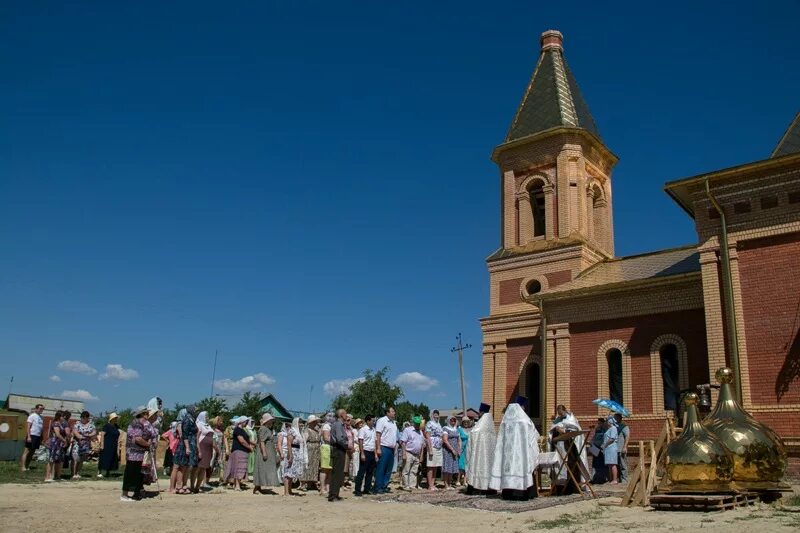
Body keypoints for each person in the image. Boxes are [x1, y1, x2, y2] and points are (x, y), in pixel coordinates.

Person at [489, 398, 539, 500]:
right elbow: (533, 436)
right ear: (523, 407)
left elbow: (500, 440)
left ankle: (507, 493)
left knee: (508, 469)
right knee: (520, 469)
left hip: (507, 454)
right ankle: (521, 493)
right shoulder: (525, 420)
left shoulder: (505, 420)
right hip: (520, 454)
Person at [549, 404, 589, 495]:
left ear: (564, 410)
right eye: (558, 413)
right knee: (559, 466)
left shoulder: (571, 420)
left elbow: (574, 431)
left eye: (561, 413)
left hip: (569, 448)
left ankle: (572, 486)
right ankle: (560, 487)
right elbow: (552, 432)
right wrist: (556, 430)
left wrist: (564, 431)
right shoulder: (557, 420)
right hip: (559, 447)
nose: (560, 415)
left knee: (570, 466)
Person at [121, 407, 151, 501]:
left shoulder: (142, 425)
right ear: (142, 414)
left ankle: (136, 493)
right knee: (130, 473)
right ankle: (124, 494)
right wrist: (147, 444)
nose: (148, 416)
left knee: (138, 474)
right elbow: (138, 438)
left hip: (139, 453)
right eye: (146, 414)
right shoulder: (136, 424)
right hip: (133, 454)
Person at [466, 403, 496, 494]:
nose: (478, 414)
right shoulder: (490, 423)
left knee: (478, 467)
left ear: (481, 412)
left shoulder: (481, 424)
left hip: (479, 454)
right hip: (489, 455)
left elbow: (474, 432)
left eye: (479, 412)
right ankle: (489, 488)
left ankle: (476, 488)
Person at [173, 407, 199, 494]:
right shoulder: (187, 420)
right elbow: (185, 434)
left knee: (188, 466)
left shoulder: (192, 420)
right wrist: (187, 447)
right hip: (185, 445)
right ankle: (179, 486)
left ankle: (184, 485)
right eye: (195, 410)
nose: (196, 412)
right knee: (182, 466)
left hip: (192, 444)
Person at [253, 413, 280, 493]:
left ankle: (259, 487)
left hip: (269, 451)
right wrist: (264, 453)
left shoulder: (268, 429)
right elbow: (262, 441)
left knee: (265, 469)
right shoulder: (263, 429)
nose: (272, 422)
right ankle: (257, 487)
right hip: (263, 452)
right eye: (271, 420)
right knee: (261, 468)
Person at [373, 406, 397, 494]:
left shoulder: (394, 423)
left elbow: (393, 436)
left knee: (388, 469)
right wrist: (378, 448)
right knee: (381, 468)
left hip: (391, 448)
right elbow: (378, 434)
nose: (394, 413)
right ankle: (378, 487)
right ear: (387, 413)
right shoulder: (382, 420)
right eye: (392, 411)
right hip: (384, 447)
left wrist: (394, 448)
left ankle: (384, 485)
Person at [328, 409, 350, 501]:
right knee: (336, 473)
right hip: (338, 449)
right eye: (345, 413)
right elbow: (339, 439)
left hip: (339, 449)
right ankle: (333, 495)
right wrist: (347, 445)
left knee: (338, 473)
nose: (347, 415)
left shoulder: (340, 425)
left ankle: (335, 494)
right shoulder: (338, 425)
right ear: (341, 415)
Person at [225, 416, 252, 491]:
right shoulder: (238, 429)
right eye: (246, 422)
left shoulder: (242, 430)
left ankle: (235, 485)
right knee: (239, 468)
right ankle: (237, 485)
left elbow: (247, 440)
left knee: (239, 467)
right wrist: (250, 448)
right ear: (242, 422)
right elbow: (242, 441)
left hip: (242, 451)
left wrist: (254, 444)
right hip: (239, 451)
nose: (247, 423)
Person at [278, 419, 303, 496]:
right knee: (288, 472)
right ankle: (286, 492)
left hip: (297, 452)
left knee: (292, 473)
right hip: (292, 452)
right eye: (300, 422)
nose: (301, 424)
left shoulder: (298, 432)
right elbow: (289, 444)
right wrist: (290, 455)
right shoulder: (292, 431)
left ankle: (290, 490)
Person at [68, 411, 96, 479]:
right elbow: (75, 432)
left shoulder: (91, 424)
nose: (83, 419)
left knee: (81, 460)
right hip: (77, 444)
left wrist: (88, 435)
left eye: (85, 418)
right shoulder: (77, 424)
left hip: (86, 445)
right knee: (75, 459)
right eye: (82, 417)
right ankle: (73, 473)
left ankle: (77, 473)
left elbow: (94, 432)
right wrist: (81, 436)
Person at [400, 415, 425, 491]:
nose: (417, 425)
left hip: (417, 454)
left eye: (419, 423)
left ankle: (412, 485)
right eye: (416, 423)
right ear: (413, 423)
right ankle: (405, 485)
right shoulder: (407, 430)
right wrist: (404, 453)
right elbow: (403, 442)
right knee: (406, 470)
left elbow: (422, 445)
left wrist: (421, 455)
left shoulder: (420, 432)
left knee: (414, 471)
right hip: (408, 452)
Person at [354, 414, 376, 496]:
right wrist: (362, 453)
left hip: (372, 452)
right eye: (372, 420)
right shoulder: (363, 430)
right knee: (362, 472)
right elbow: (360, 441)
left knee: (370, 472)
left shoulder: (374, 429)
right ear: (368, 421)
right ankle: (357, 490)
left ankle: (367, 488)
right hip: (365, 451)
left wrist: (375, 454)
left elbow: (375, 441)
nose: (373, 422)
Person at [44, 410, 67, 482]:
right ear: (59, 417)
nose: (64, 417)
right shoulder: (56, 423)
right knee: (51, 460)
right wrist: (64, 440)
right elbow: (57, 434)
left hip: (59, 444)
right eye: (63, 416)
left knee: (58, 460)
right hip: (54, 443)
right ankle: (47, 477)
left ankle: (57, 476)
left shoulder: (61, 424)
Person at [20, 403, 44, 472]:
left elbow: (41, 428)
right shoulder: (32, 416)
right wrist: (29, 436)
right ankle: (23, 466)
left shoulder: (42, 417)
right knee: (26, 451)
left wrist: (41, 437)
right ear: (36, 409)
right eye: (40, 408)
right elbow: (28, 427)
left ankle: (27, 466)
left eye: (42, 409)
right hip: (32, 435)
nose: (41, 410)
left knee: (32, 452)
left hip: (38, 436)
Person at [301, 414, 321, 491]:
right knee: (307, 465)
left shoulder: (316, 431)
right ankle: (303, 483)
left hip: (316, 450)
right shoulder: (306, 430)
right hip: (309, 449)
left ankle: (311, 483)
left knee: (314, 466)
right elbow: (304, 441)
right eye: (314, 422)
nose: (315, 423)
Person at [195, 411, 215, 490]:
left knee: (204, 467)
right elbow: (197, 438)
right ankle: (195, 485)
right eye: (206, 416)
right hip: (202, 447)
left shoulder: (208, 426)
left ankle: (200, 485)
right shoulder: (199, 424)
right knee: (199, 466)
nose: (208, 418)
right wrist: (199, 450)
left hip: (208, 449)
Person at [425, 410, 444, 491]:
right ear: (432, 415)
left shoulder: (439, 424)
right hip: (432, 446)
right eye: (435, 414)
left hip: (439, 447)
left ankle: (433, 484)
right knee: (431, 466)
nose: (436, 416)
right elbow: (428, 436)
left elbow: (441, 435)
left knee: (436, 466)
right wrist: (430, 449)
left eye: (437, 415)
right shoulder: (429, 423)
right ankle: (430, 485)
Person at [141, 409, 161, 488]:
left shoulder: (152, 425)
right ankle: (140, 486)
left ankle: (144, 484)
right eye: (155, 415)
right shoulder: (146, 425)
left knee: (148, 467)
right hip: (146, 449)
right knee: (144, 467)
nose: (156, 416)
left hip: (151, 449)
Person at [441, 415, 462, 490]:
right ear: (448, 421)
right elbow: (445, 440)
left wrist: (459, 450)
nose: (453, 422)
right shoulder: (445, 428)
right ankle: (446, 484)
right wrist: (452, 450)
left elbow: (459, 440)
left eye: (454, 421)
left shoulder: (456, 429)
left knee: (452, 467)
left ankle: (449, 484)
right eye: (451, 420)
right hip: (447, 450)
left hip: (455, 451)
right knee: (447, 467)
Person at [98, 412, 121, 478]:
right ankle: (100, 472)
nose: (116, 419)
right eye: (115, 418)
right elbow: (102, 435)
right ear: (112, 419)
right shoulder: (106, 426)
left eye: (116, 418)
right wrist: (102, 445)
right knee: (104, 458)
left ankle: (108, 472)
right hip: (107, 444)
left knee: (111, 458)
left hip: (113, 444)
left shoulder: (116, 426)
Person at [319, 412, 334, 496]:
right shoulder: (326, 426)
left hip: (331, 448)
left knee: (330, 469)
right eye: (330, 416)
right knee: (324, 469)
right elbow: (326, 438)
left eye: (333, 416)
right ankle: (322, 488)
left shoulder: (331, 426)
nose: (332, 417)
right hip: (326, 448)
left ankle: (328, 487)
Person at [162, 421, 180, 491]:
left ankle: (174, 485)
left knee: (175, 467)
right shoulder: (170, 431)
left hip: (177, 449)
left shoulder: (178, 432)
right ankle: (172, 486)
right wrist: (168, 440)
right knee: (173, 467)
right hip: (171, 449)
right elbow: (163, 435)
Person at [602, 415, 619, 484]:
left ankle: (615, 479)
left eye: (607, 421)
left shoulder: (613, 428)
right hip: (608, 448)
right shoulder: (609, 429)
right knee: (609, 464)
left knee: (613, 464)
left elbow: (612, 439)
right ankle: (611, 478)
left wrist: (605, 445)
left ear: (609, 422)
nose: (606, 422)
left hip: (611, 448)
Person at [590, 417, 608, 484]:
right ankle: (595, 478)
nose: (598, 424)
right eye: (598, 423)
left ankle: (601, 478)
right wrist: (591, 443)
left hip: (601, 448)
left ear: (603, 423)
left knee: (601, 463)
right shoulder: (597, 429)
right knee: (595, 463)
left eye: (600, 423)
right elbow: (594, 437)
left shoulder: (605, 430)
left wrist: (603, 446)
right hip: (595, 447)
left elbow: (605, 439)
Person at [210, 416, 226, 483]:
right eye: (221, 421)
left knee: (221, 463)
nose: (222, 422)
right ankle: (207, 478)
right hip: (214, 448)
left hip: (221, 448)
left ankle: (221, 478)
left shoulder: (222, 430)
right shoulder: (213, 430)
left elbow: (223, 439)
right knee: (212, 463)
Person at [614, 413, 629, 482]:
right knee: (616, 465)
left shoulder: (624, 427)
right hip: (614, 449)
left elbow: (627, 437)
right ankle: (618, 478)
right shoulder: (614, 426)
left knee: (623, 464)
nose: (614, 419)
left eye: (615, 417)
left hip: (621, 448)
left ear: (619, 418)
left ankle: (624, 479)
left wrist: (625, 447)